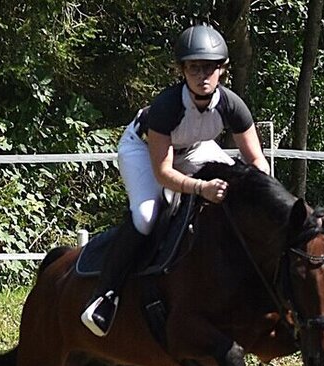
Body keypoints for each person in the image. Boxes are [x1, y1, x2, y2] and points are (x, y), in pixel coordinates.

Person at [81, 23, 271, 337]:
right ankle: (105, 295)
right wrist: (201, 188)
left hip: (195, 147)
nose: (203, 75)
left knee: (238, 192)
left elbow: (256, 162)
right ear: (181, 70)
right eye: (194, 68)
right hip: (144, 151)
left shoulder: (232, 105)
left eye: (210, 68)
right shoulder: (168, 106)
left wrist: (268, 201)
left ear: (222, 70)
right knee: (146, 215)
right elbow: (164, 173)